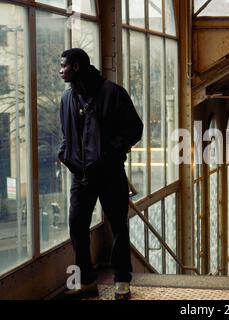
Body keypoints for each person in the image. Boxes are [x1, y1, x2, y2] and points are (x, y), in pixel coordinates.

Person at [58, 48, 143, 300]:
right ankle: (86, 281)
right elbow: (66, 134)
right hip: (80, 176)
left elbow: (135, 129)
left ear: (76, 67)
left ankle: (122, 281)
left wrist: (111, 153)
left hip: (110, 174)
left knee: (118, 226)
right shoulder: (66, 99)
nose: (60, 70)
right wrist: (65, 154)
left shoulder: (113, 93)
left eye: (63, 65)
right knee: (77, 225)